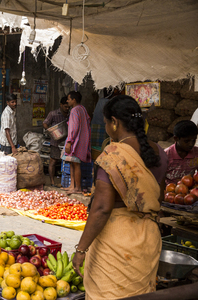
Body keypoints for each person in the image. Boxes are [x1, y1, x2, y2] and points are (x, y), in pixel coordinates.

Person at [72, 96, 168, 299]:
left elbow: (101, 208)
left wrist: (81, 250)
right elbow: (159, 199)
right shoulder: (160, 152)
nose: (106, 126)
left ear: (114, 122)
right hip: (148, 238)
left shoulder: (113, 154)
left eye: (106, 122)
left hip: (116, 242)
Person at [62, 91, 91, 194]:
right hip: (82, 140)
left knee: (76, 164)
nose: (67, 101)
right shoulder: (82, 109)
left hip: (76, 141)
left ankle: (77, 187)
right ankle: (72, 185)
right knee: (72, 163)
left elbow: (74, 128)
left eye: (69, 99)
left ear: (74, 100)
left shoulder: (74, 110)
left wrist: (69, 141)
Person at [43, 96, 69, 186]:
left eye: (68, 107)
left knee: (67, 162)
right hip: (55, 142)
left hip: (67, 142)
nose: (67, 109)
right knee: (53, 162)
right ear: (61, 105)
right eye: (65, 106)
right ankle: (52, 182)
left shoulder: (70, 114)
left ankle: (64, 182)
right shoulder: (53, 114)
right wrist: (51, 132)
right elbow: (45, 123)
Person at [164, 120, 198, 185]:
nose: (191, 144)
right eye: (186, 141)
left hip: (190, 191)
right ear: (176, 138)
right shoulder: (166, 155)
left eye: (193, 140)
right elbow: (161, 179)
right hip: (170, 191)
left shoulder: (197, 153)